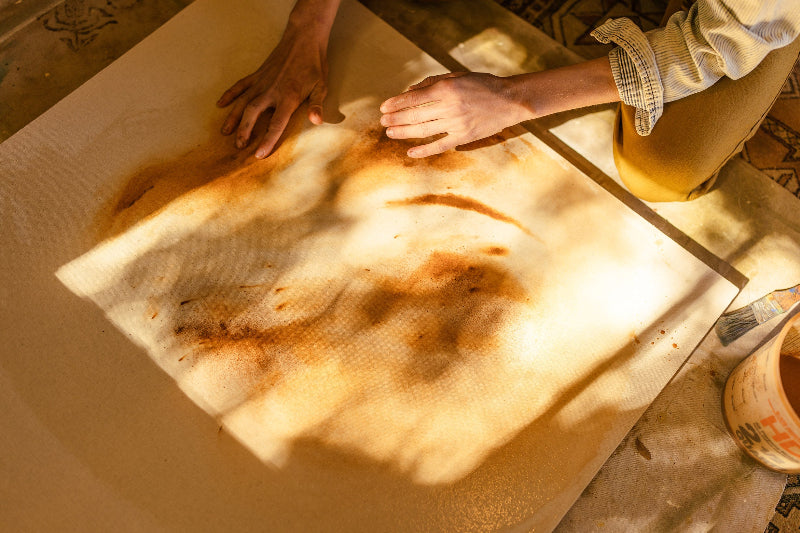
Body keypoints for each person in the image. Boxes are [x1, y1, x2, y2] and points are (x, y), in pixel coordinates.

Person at [216, 0, 800, 202]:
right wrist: (306, 27)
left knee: (664, 169)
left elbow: (720, 39)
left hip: (747, 15)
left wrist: (515, 98)